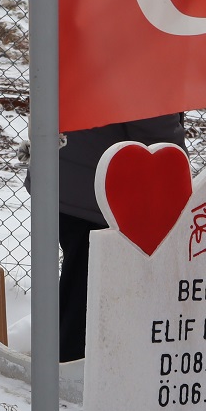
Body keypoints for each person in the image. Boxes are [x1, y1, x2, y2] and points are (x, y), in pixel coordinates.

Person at [58, 114, 186, 362]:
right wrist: (179, 168)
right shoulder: (148, 74)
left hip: (64, 174)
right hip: (100, 189)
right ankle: (74, 365)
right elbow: (154, 124)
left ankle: (68, 359)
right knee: (90, 285)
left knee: (82, 278)